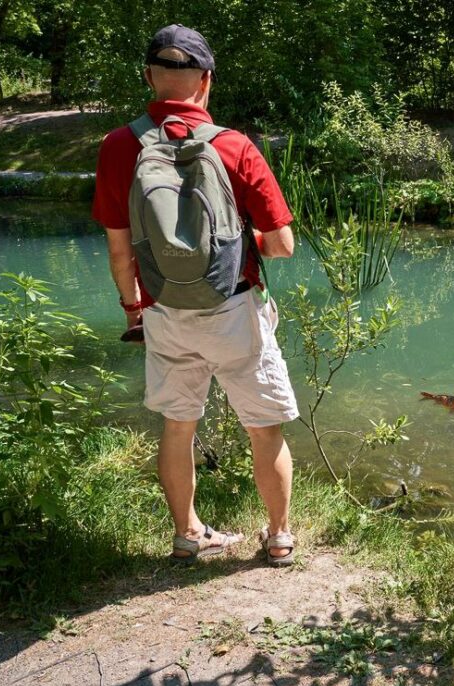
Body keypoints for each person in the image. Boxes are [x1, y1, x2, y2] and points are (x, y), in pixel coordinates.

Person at [91, 24, 299, 567]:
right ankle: (278, 538)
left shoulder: (118, 147)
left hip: (163, 310)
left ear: (149, 79)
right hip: (233, 309)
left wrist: (134, 309)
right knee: (263, 426)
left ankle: (187, 534)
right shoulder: (233, 146)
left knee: (178, 425)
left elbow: (120, 252)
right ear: (206, 82)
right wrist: (235, 244)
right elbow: (280, 245)